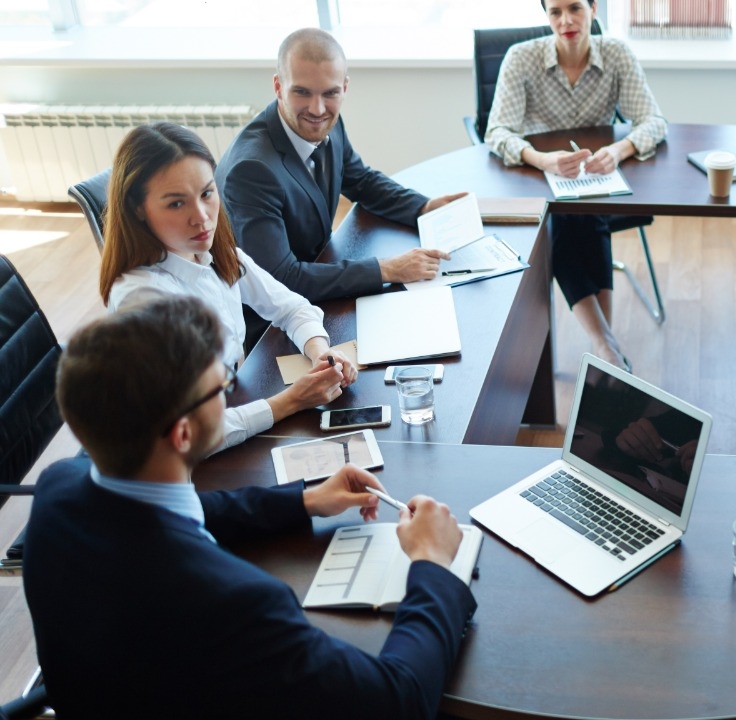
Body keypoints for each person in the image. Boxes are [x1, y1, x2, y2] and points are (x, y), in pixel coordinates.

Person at [23, 295, 476, 719]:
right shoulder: (236, 605)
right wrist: (432, 563)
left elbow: (180, 513)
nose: (227, 394)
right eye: (220, 387)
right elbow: (399, 702)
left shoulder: (58, 490)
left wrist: (304, 502)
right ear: (183, 434)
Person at [101, 122, 355, 452]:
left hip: (232, 406)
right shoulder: (143, 299)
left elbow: (291, 306)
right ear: (137, 210)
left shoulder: (211, 251)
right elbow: (190, 436)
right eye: (176, 204)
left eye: (207, 193)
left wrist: (322, 353)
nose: (202, 217)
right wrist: (292, 401)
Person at [216, 28, 466, 339]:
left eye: (330, 93)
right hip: (276, 325)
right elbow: (281, 278)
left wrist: (424, 206)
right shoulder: (251, 170)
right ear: (279, 87)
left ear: (344, 88)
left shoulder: (328, 125)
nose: (318, 109)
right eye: (302, 92)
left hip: (323, 279)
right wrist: (386, 269)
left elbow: (360, 180)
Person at [485, 0, 667, 369]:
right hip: (535, 178)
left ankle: (605, 350)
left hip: (594, 176)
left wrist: (618, 150)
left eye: (575, 8)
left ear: (594, 9)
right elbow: (496, 131)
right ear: (546, 16)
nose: (565, 20)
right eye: (555, 12)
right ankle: (607, 346)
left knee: (583, 213)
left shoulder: (615, 54)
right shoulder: (521, 57)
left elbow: (654, 122)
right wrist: (541, 158)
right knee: (568, 217)